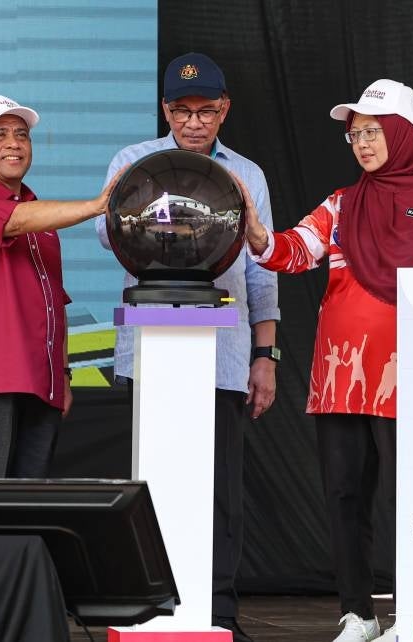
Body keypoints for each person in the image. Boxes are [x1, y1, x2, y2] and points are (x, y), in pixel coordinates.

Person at [240, 79, 413, 642]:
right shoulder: (342, 203)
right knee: (344, 494)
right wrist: (255, 231)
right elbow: (291, 251)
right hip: (341, 379)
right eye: (355, 135)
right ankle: (359, 614)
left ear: (402, 133)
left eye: (373, 131)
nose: (362, 143)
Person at [94, 52, 280, 642]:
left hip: (221, 357)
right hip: (154, 352)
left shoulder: (247, 175)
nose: (194, 121)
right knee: (151, 487)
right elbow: (110, 233)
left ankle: (218, 615)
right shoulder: (132, 164)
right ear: (165, 109)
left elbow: (262, 273)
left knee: (222, 495)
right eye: (182, 109)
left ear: (224, 109)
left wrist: (265, 355)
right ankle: (149, 612)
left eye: (206, 110)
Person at [0, 94, 123, 478]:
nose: (14, 143)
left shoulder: (42, 219)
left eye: (22, 135)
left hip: (43, 383)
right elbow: (17, 220)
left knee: (28, 509)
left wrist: (64, 375)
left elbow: (54, 303)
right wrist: (96, 205)